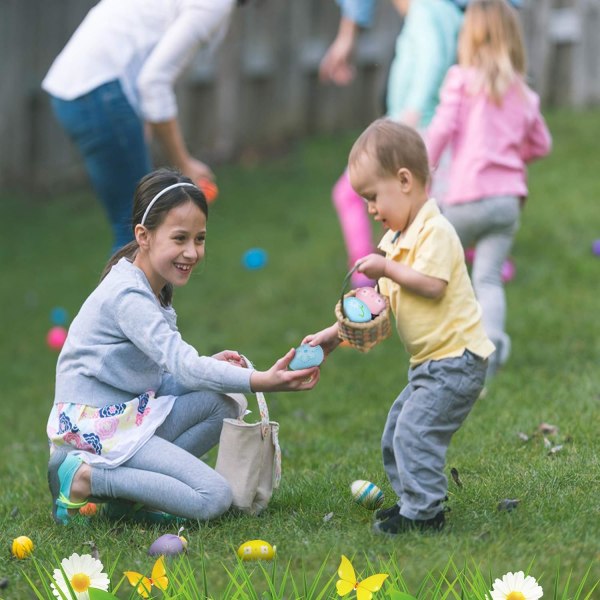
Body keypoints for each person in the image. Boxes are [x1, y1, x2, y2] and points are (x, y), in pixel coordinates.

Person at [46, 167, 320, 525]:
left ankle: (126, 500)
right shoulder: (128, 295)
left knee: (224, 404)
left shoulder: (151, 287)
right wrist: (262, 380)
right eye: (179, 239)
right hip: (99, 430)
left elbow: (160, 382)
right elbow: (184, 366)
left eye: (199, 239)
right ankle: (85, 477)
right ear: (143, 236)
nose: (191, 252)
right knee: (214, 497)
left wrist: (213, 370)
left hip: (128, 416)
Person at [304, 119, 494, 535]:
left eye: (374, 197)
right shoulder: (395, 240)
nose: (371, 210)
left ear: (404, 180)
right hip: (430, 363)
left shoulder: (435, 231)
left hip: (458, 360)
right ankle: (414, 502)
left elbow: (432, 285)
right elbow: (376, 304)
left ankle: (425, 514)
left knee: (415, 431)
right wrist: (332, 338)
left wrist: (387, 266)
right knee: (396, 430)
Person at [42, 0, 246, 254]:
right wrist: (184, 163)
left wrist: (143, 124)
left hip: (74, 91)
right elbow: (153, 82)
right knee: (136, 230)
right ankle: (125, 294)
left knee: (133, 225)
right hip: (99, 93)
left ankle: (130, 293)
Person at [425, 0, 552, 379]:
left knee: (439, 276)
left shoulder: (461, 80)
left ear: (469, 37)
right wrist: (511, 156)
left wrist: (422, 172)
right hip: (506, 203)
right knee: (489, 277)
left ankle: (443, 351)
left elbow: (442, 129)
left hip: (464, 200)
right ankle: (491, 348)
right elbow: (541, 144)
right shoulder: (523, 93)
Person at [320, 0, 465, 287]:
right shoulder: (450, 11)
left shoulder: (425, 10)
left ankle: (363, 275)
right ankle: (482, 258)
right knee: (439, 203)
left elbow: (432, 58)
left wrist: (410, 112)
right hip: (432, 125)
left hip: (412, 125)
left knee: (348, 193)